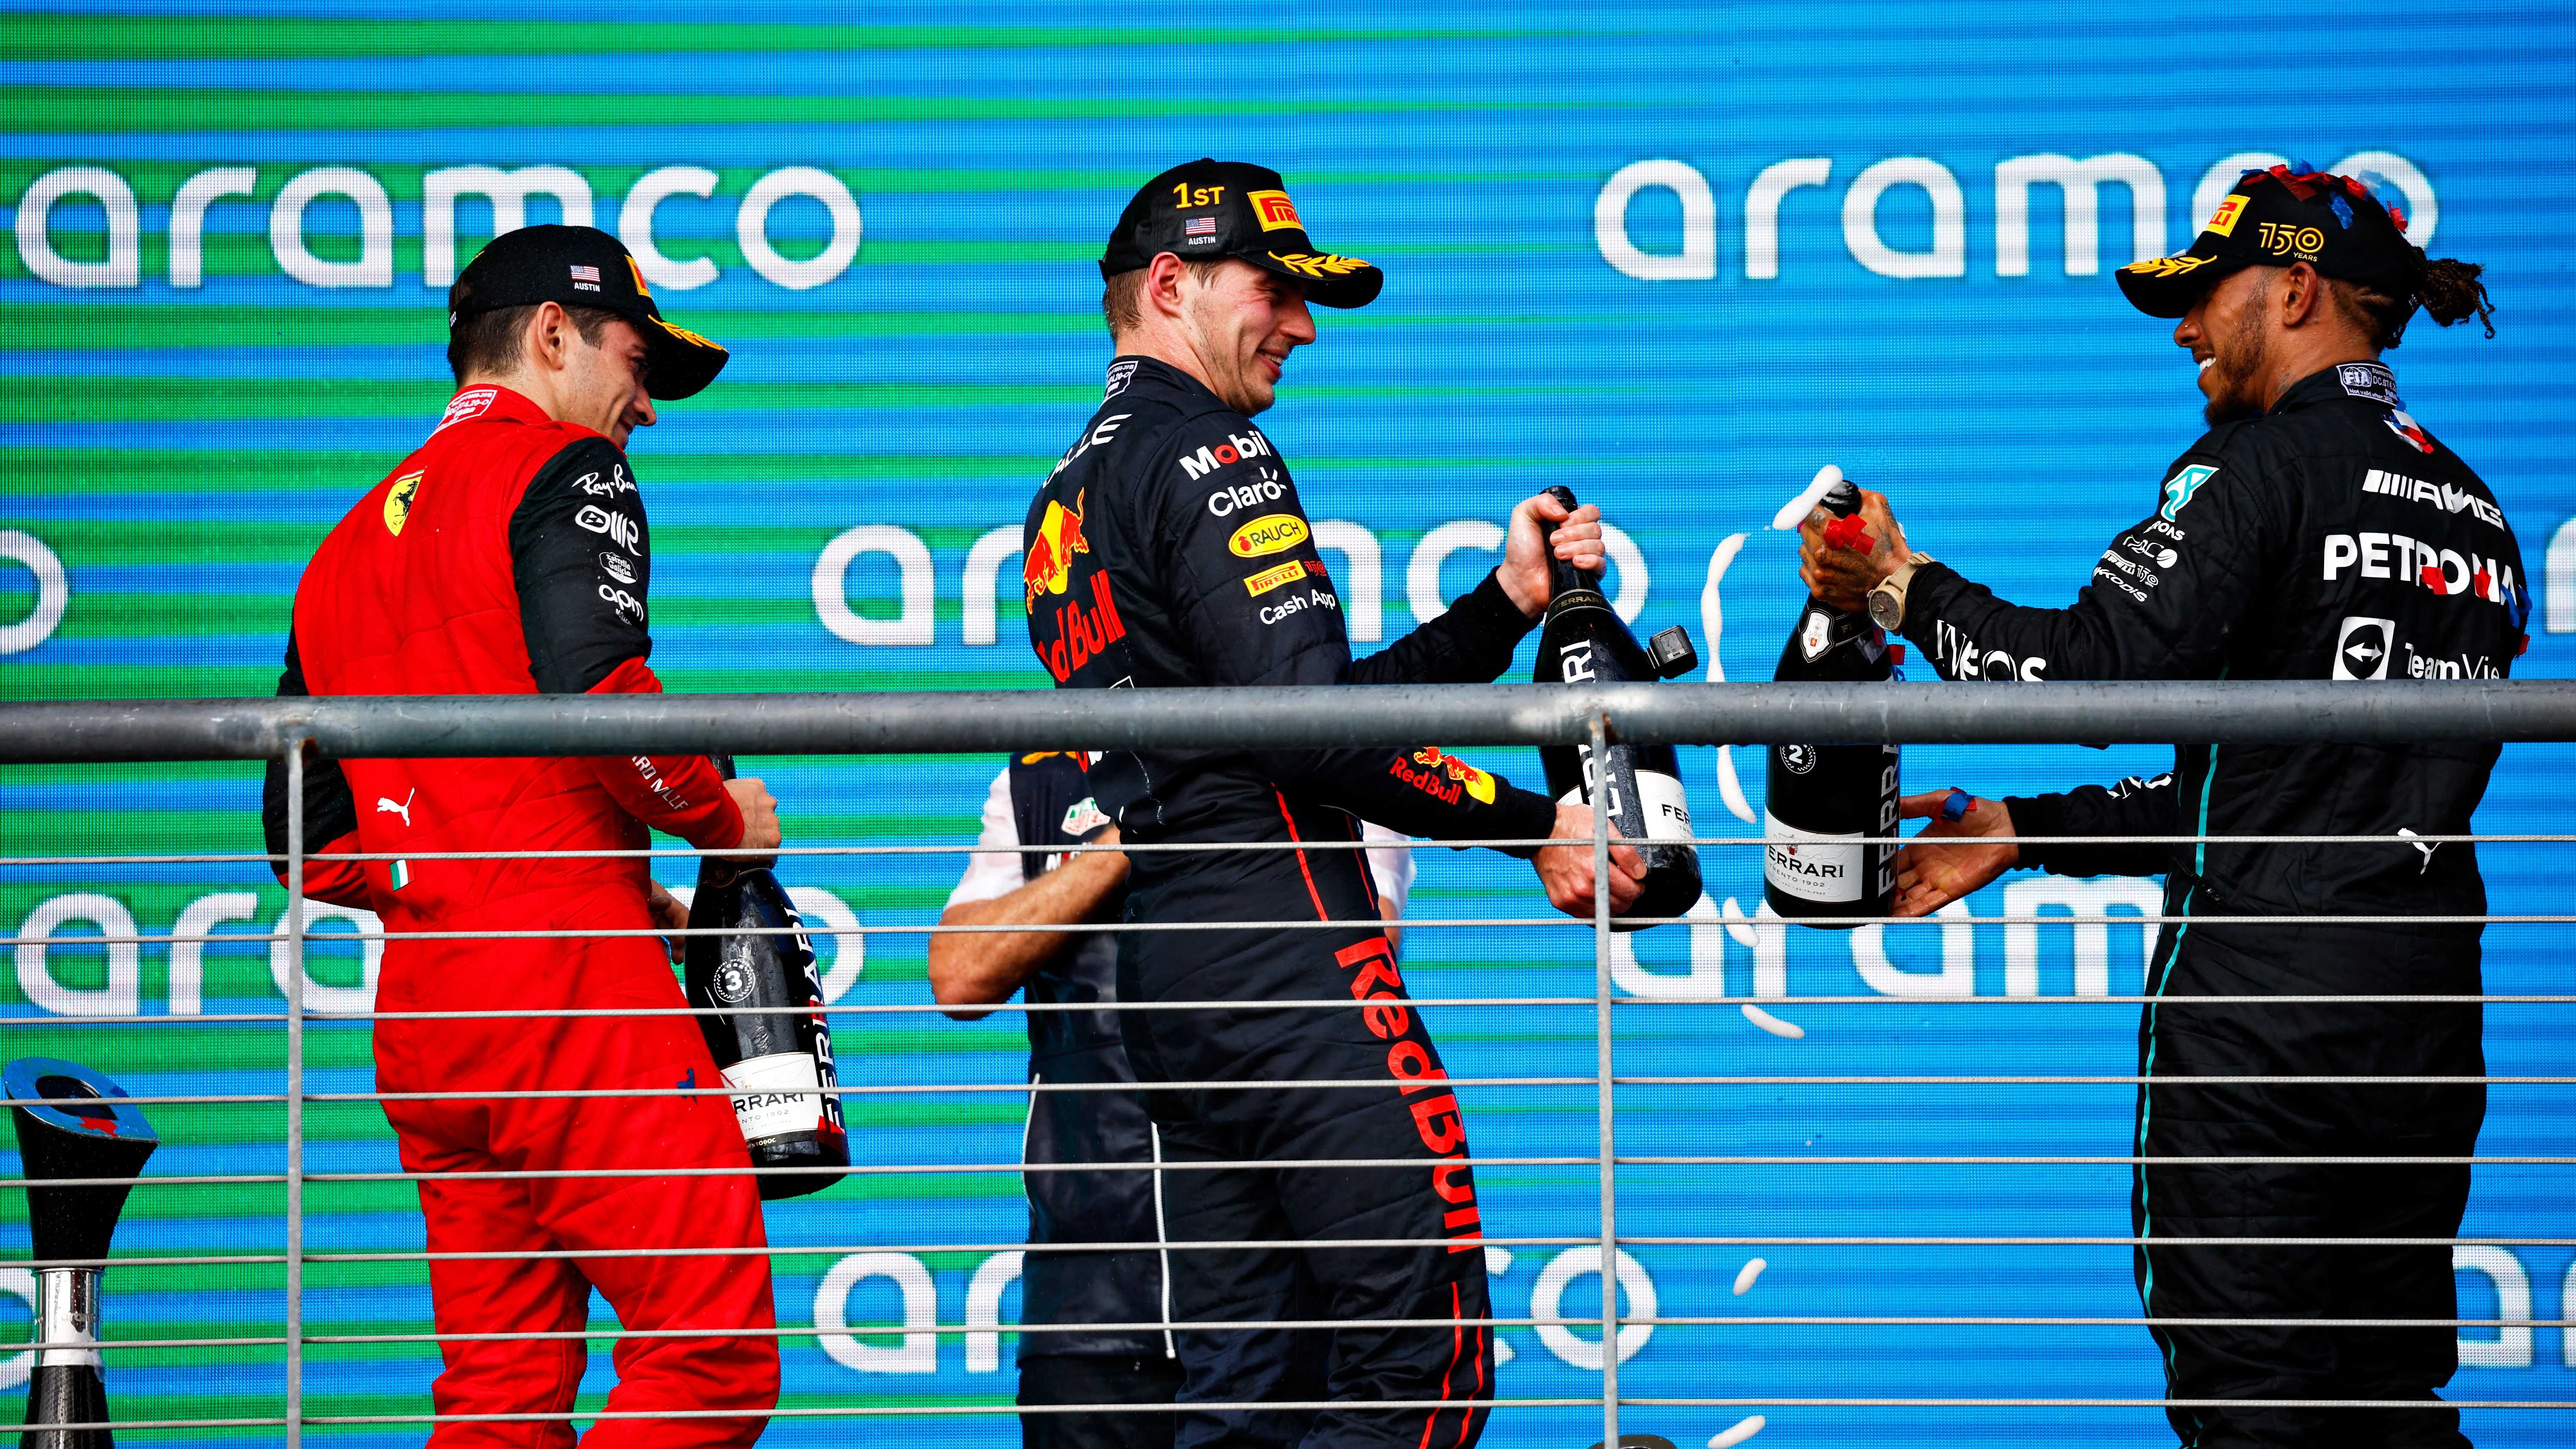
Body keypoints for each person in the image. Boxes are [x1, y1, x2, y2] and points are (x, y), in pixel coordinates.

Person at [1799, 164, 2524, 1447]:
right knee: (2388, 1402)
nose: (2185, 327)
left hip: (2260, 1039)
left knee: (2250, 1403)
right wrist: (2030, 831)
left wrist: (1903, 585)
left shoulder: (2256, 464)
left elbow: (2089, 675)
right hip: (2419, 1031)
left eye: (2206, 294)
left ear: (2295, 287)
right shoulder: (2475, 505)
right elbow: (2270, 785)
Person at [1022, 158, 1643, 1449]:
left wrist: (1502, 608)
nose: (1303, 327)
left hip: (1174, 984)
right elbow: (1311, 733)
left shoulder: (1067, 491)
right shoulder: (1211, 445)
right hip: (1293, 966)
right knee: (1433, 1360)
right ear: (1172, 284)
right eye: (1278, 290)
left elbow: (1286, 706)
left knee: (1248, 1398)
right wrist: (1534, 820)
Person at [261, 225, 784, 1447]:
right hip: (567, 994)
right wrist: (720, 817)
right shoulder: (564, 470)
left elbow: (299, 832)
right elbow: (602, 702)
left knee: (500, 1402)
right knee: (713, 1358)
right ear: (554, 335)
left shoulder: (339, 548)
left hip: (434, 1017)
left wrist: (482, 864)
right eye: (635, 362)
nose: (645, 406)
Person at [930, 749, 1420, 1449]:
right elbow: (958, 973)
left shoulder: (1321, 760)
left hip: (1283, 1302)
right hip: (1094, 1308)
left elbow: (1366, 956)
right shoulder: (1037, 778)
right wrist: (1137, 833)